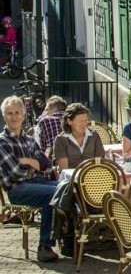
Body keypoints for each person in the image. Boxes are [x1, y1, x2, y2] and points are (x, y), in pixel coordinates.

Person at [0, 96, 61, 262]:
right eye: (9, 113)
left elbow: (47, 165)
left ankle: (71, 239)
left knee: (68, 186)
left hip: (38, 182)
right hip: (17, 189)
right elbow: (16, 173)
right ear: (4, 116)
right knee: (56, 192)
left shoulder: (28, 140)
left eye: (17, 113)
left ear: (23, 115)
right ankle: (45, 246)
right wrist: (34, 164)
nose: (14, 117)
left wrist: (26, 161)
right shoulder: (2, 142)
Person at [52, 103, 105, 170]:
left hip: (93, 177)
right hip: (71, 178)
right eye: (80, 121)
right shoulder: (61, 140)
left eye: (85, 121)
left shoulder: (94, 136)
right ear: (69, 121)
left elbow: (100, 163)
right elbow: (64, 170)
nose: (84, 124)